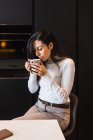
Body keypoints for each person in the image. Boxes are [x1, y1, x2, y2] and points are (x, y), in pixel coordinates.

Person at [14, 30, 75, 131]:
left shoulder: (67, 63)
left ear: (50, 45)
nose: (37, 53)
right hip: (39, 106)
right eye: (35, 50)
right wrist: (32, 72)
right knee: (15, 127)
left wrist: (45, 75)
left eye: (40, 49)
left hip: (58, 114)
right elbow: (32, 90)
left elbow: (63, 98)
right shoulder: (41, 62)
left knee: (18, 125)